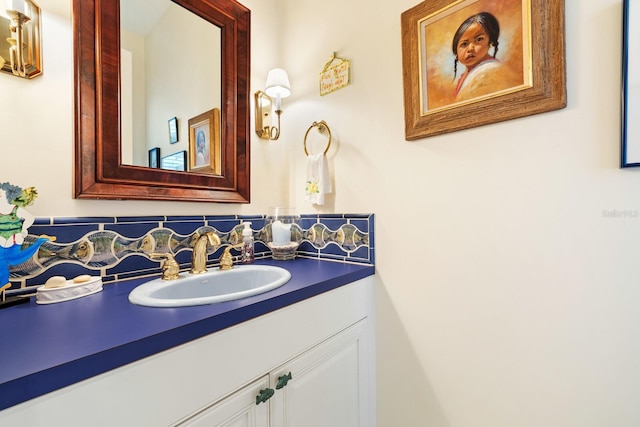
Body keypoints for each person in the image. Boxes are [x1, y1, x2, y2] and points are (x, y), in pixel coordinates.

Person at [451, 12, 521, 102]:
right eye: (464, 44)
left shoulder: (492, 72)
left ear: (490, 42)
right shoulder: (465, 77)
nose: (470, 48)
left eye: (479, 39)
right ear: (456, 51)